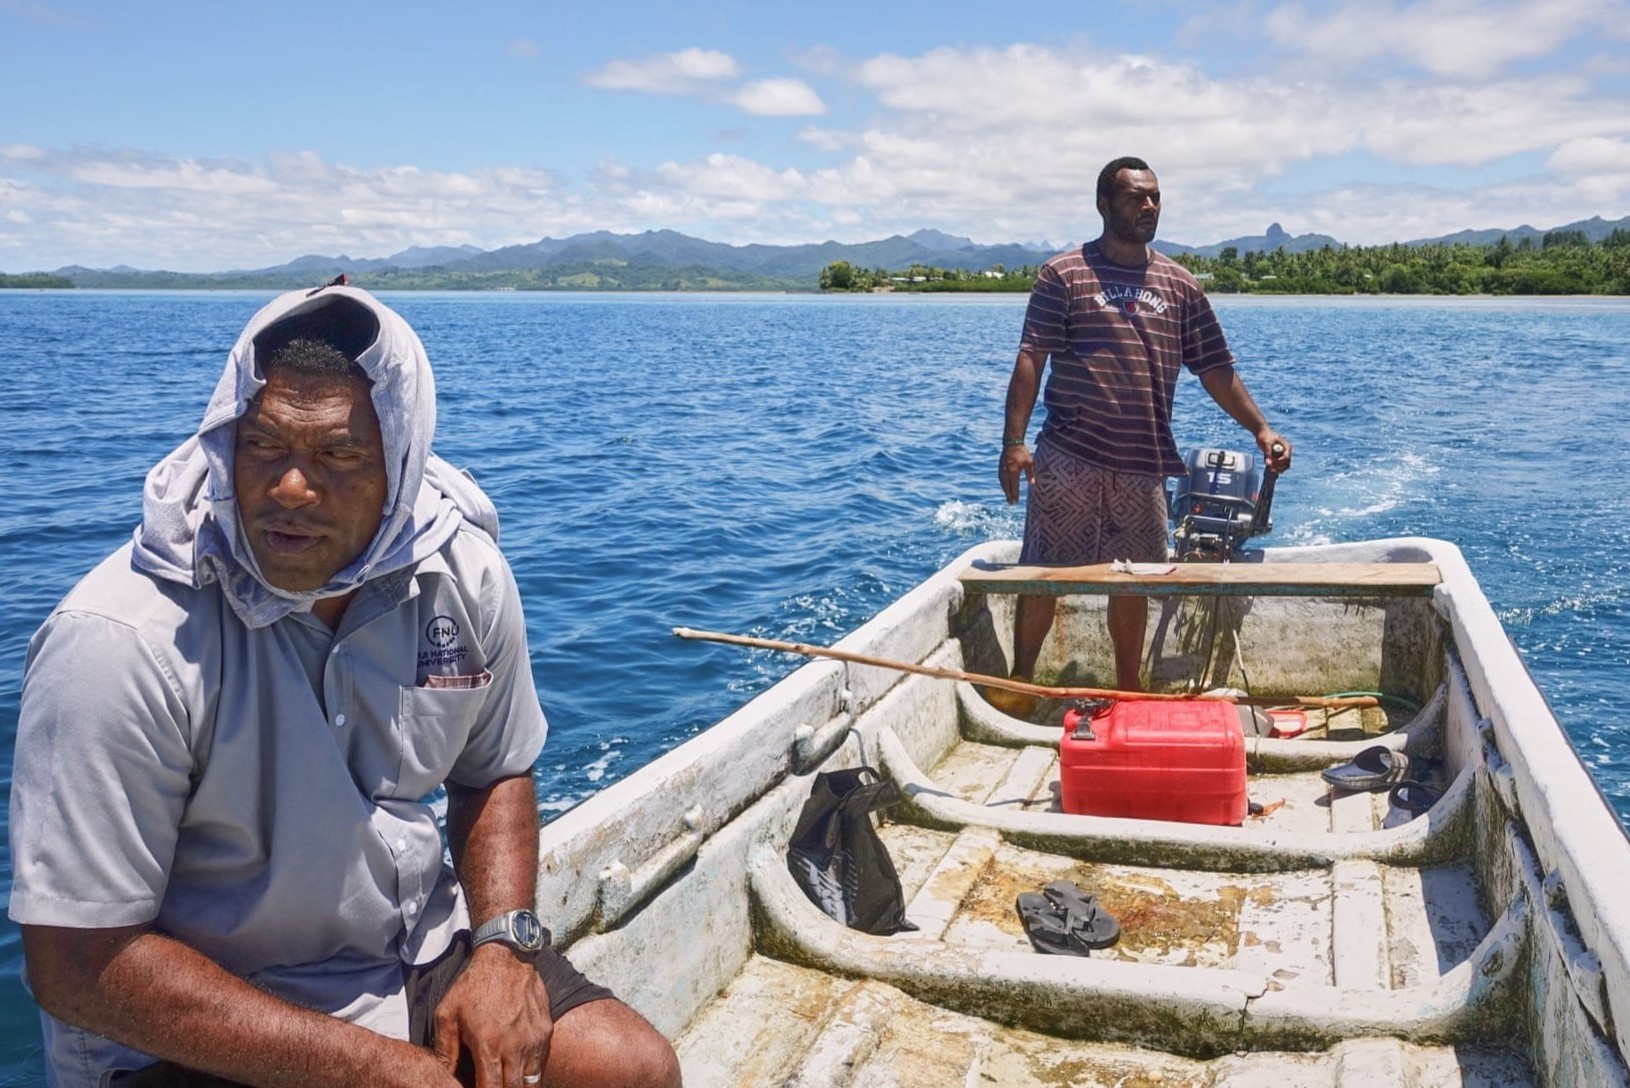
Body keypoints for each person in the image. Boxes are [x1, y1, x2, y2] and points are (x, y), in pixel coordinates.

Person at [8, 283, 682, 1088]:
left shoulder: (463, 574)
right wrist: (372, 1069)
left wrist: (502, 945)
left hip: (403, 957)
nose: (291, 488)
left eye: (339, 454)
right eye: (263, 445)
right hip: (190, 1028)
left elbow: (494, 767)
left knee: (629, 1068)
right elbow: (78, 965)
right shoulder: (120, 644)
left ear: (402, 461)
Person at [995, 156, 1292, 706]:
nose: (1148, 206)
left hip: (1144, 462)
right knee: (1043, 573)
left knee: (1131, 579)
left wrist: (1261, 428)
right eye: (1136, 197)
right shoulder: (1063, 274)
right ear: (1105, 205)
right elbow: (1031, 356)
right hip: (1069, 455)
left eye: (1154, 196)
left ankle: (1129, 690)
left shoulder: (1180, 285)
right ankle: (1020, 684)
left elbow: (1215, 369)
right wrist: (1014, 443)